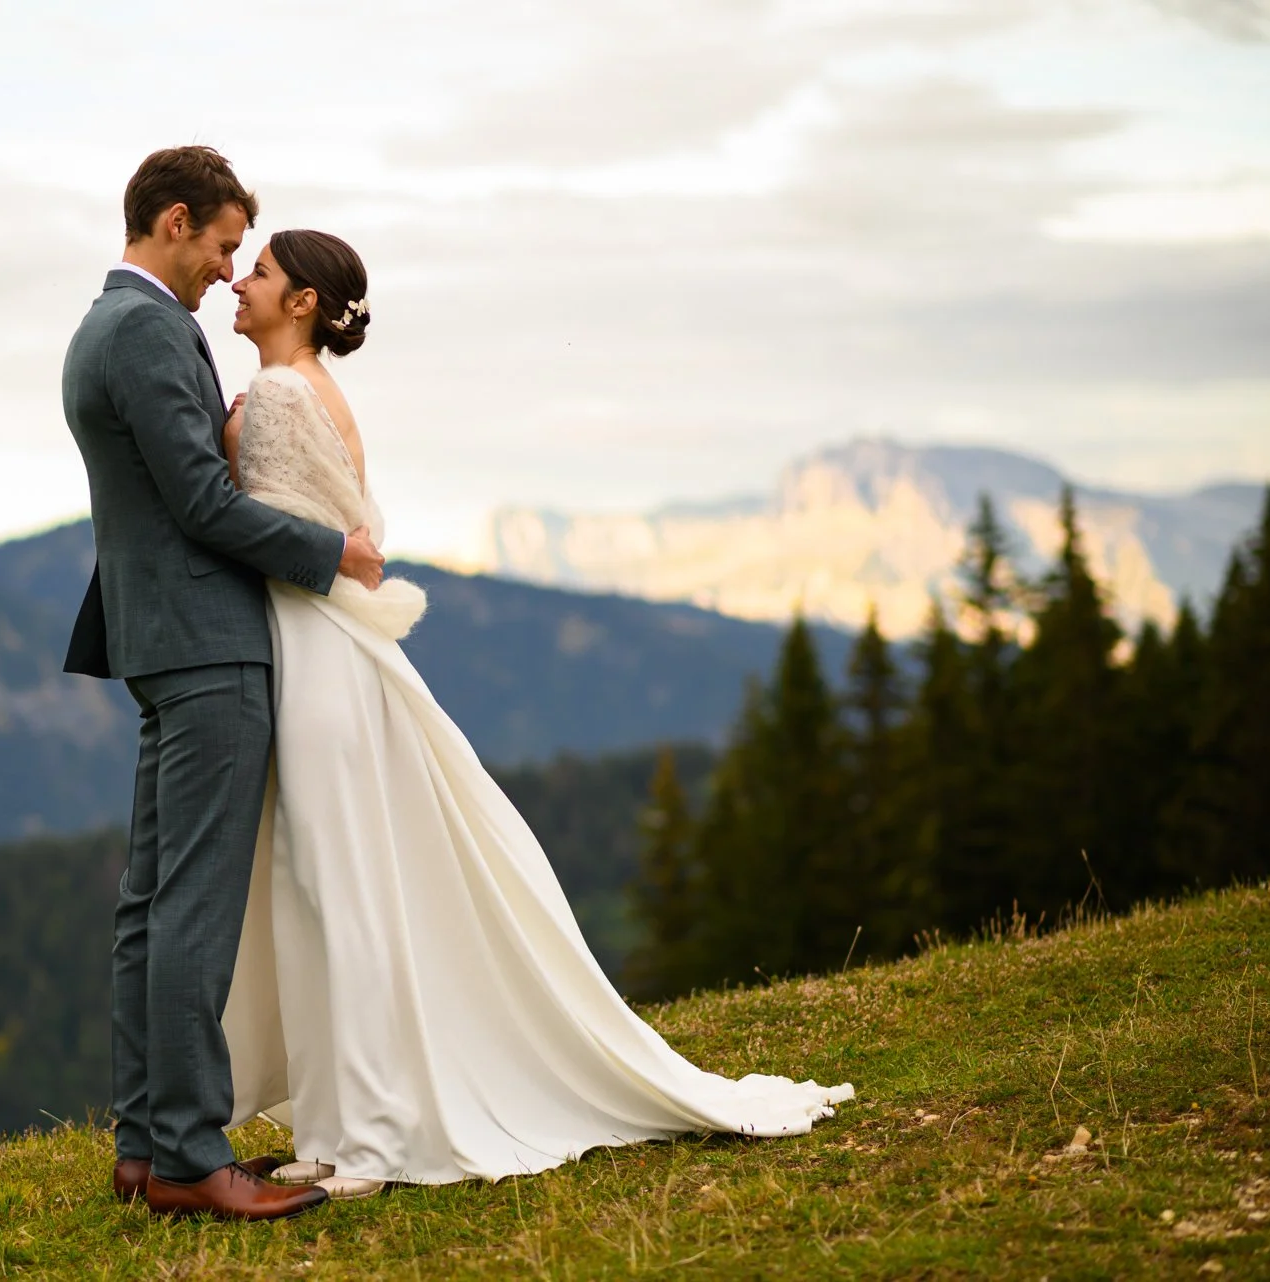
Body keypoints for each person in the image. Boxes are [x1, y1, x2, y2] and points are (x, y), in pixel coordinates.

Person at [216, 229, 855, 1202]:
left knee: (336, 891)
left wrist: (221, 457)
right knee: (328, 889)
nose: (241, 283)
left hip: (317, 656)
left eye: (259, 273)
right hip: (328, 652)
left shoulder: (278, 395)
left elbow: (321, 541)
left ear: (301, 300)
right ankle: (341, 1128)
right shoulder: (312, 392)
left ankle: (371, 1141)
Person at [60, 146, 384, 1222]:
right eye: (224, 245)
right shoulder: (151, 328)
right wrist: (328, 553)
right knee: (191, 906)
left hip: (158, 643)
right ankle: (193, 1157)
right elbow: (201, 504)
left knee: (151, 904)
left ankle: (147, 1144)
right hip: (206, 646)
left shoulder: (103, 325)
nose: (226, 268)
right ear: (176, 222)